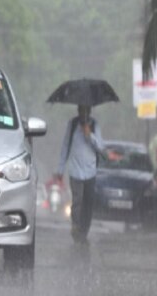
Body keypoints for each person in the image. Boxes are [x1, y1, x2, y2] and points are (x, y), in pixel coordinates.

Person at [55, 105, 111, 245]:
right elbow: (65, 146)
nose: (83, 114)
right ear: (78, 111)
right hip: (75, 171)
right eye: (81, 111)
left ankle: (84, 232)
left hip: (90, 172)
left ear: (89, 112)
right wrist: (60, 169)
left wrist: (89, 135)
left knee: (88, 203)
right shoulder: (72, 125)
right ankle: (76, 227)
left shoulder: (94, 125)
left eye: (86, 111)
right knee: (77, 201)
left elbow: (101, 147)